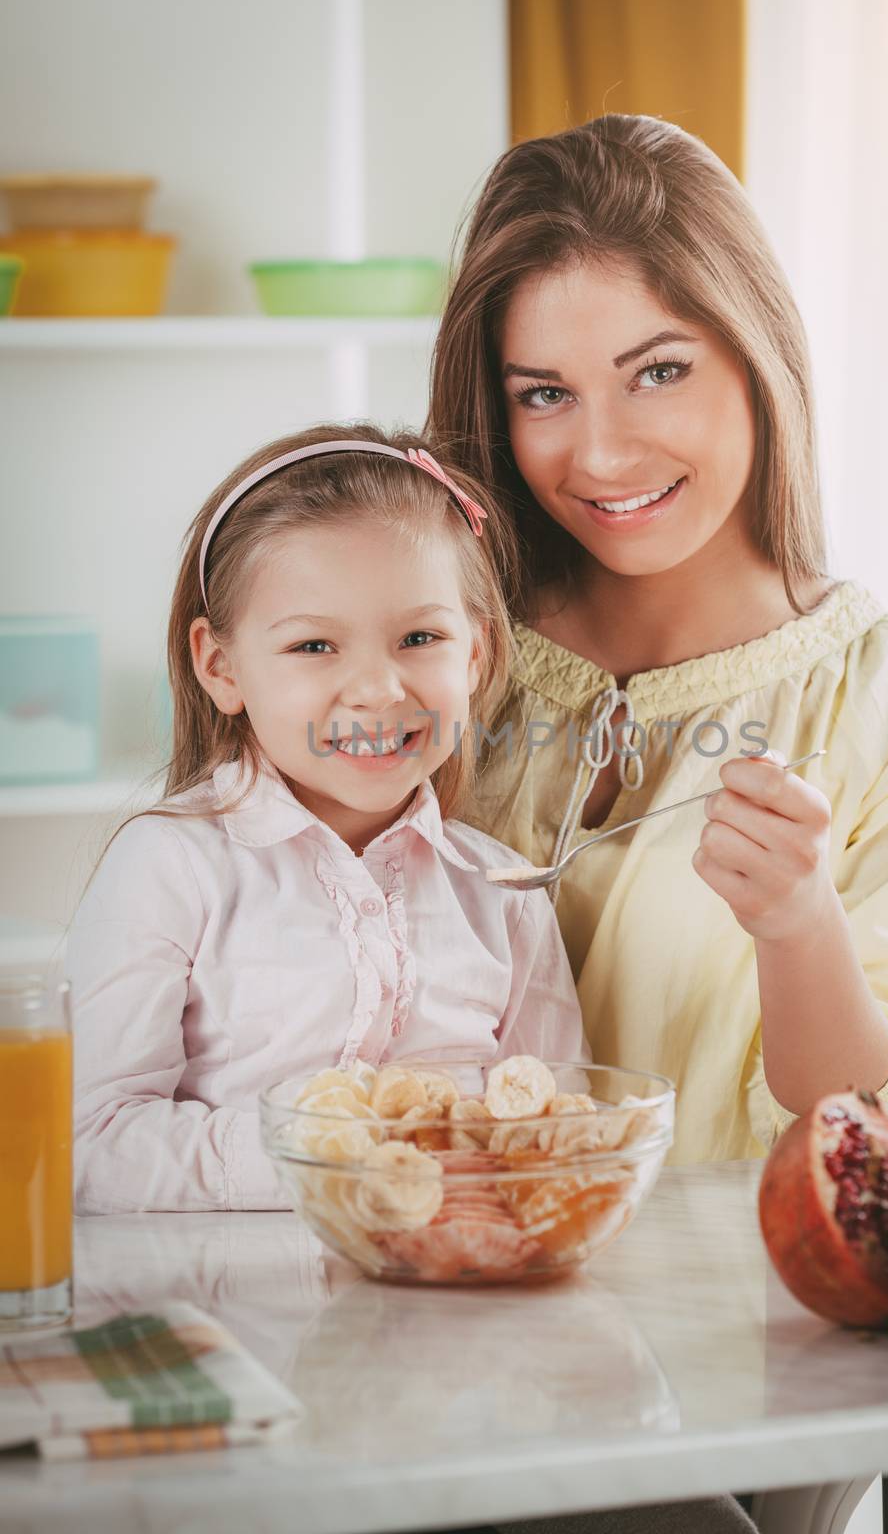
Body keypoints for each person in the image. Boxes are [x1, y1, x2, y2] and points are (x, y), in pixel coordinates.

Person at [429, 113, 888, 1164]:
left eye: (657, 371)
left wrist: (796, 923)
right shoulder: (443, 653)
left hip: (732, 1316)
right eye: (544, 394)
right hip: (430, 1288)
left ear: (756, 353)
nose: (600, 453)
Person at [68, 423, 586, 1215]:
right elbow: (92, 1147)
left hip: (462, 1315)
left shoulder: (504, 892)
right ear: (221, 666)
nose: (378, 689)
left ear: (475, 654)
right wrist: (334, 1156)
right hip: (242, 1317)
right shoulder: (170, 868)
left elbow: (558, 1132)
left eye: (420, 637)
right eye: (314, 646)